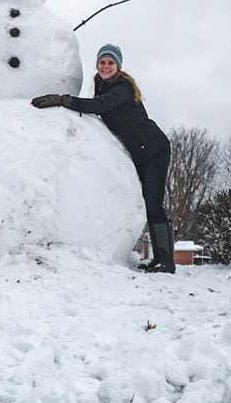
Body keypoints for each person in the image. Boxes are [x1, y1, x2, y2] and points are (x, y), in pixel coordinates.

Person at [32, 43, 174, 273]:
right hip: (139, 151)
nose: (106, 66)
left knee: (153, 203)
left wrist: (63, 100)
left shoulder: (122, 88)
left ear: (118, 66)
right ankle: (159, 258)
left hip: (154, 150)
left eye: (110, 63)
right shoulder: (102, 85)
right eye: (102, 62)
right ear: (97, 65)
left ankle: (166, 261)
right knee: (145, 203)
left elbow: (100, 106)